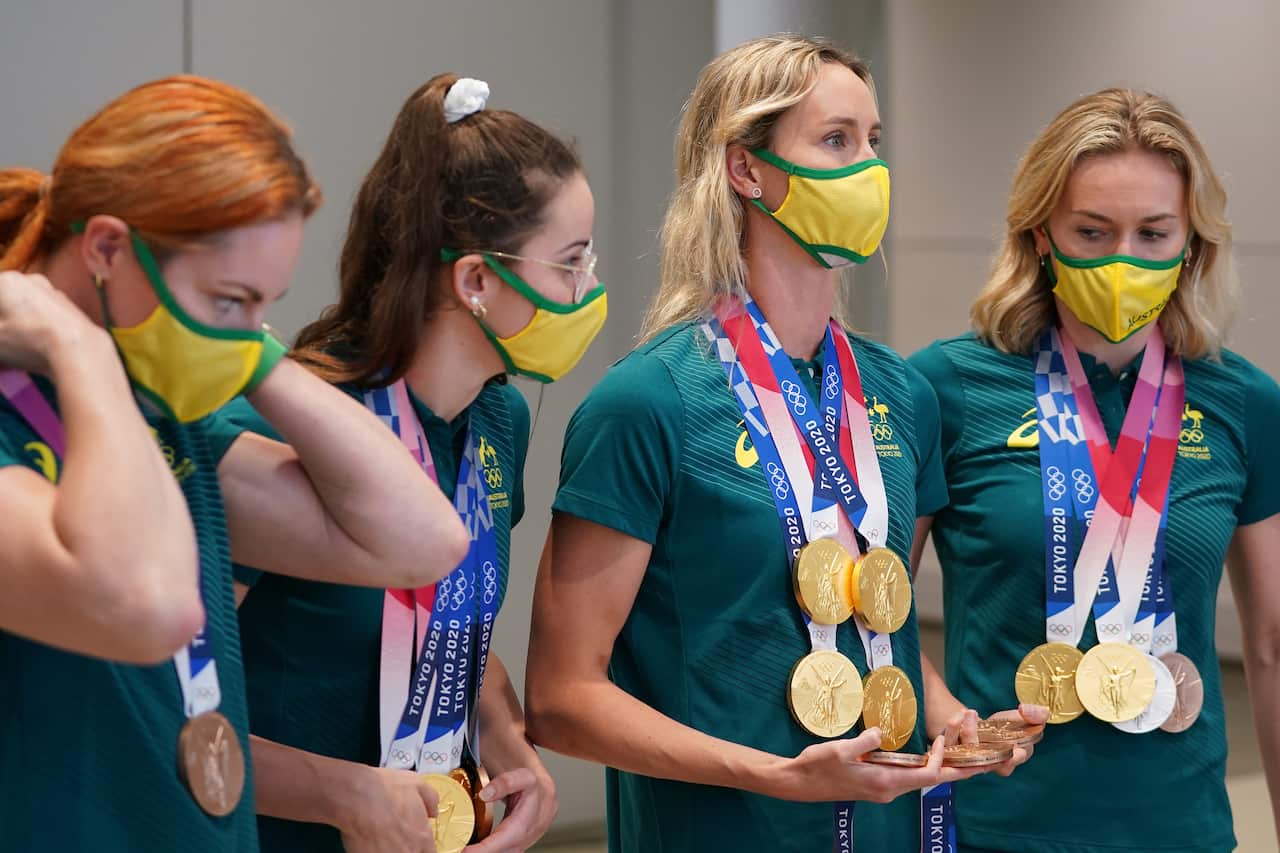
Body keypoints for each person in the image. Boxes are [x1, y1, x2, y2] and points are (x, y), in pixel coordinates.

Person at [525, 35, 1031, 853]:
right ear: (747, 170)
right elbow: (560, 697)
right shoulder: (646, 402)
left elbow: (878, 629)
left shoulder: (899, 393)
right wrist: (775, 772)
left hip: (884, 832)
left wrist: (954, 720)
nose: (868, 168)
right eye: (836, 140)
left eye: (874, 142)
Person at [0, 75, 468, 852]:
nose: (254, 332)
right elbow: (150, 608)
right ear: (108, 247)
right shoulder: (43, 413)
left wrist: (250, 350)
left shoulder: (164, 420)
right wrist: (77, 345)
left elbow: (422, 542)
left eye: (265, 303)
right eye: (229, 301)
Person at [225, 74, 606, 853]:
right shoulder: (285, 422)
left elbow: (448, 622)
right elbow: (167, 702)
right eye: (570, 263)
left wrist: (507, 742)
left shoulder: (499, 419)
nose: (590, 289)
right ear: (474, 280)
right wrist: (346, 794)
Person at [909, 87, 1280, 852]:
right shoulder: (943, 388)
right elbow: (873, 621)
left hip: (1183, 828)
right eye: (1092, 230)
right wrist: (943, 710)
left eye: (1153, 233)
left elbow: (1273, 644)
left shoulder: (1246, 401)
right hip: (993, 822)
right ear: (1040, 233)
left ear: (1192, 242)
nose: (1124, 259)